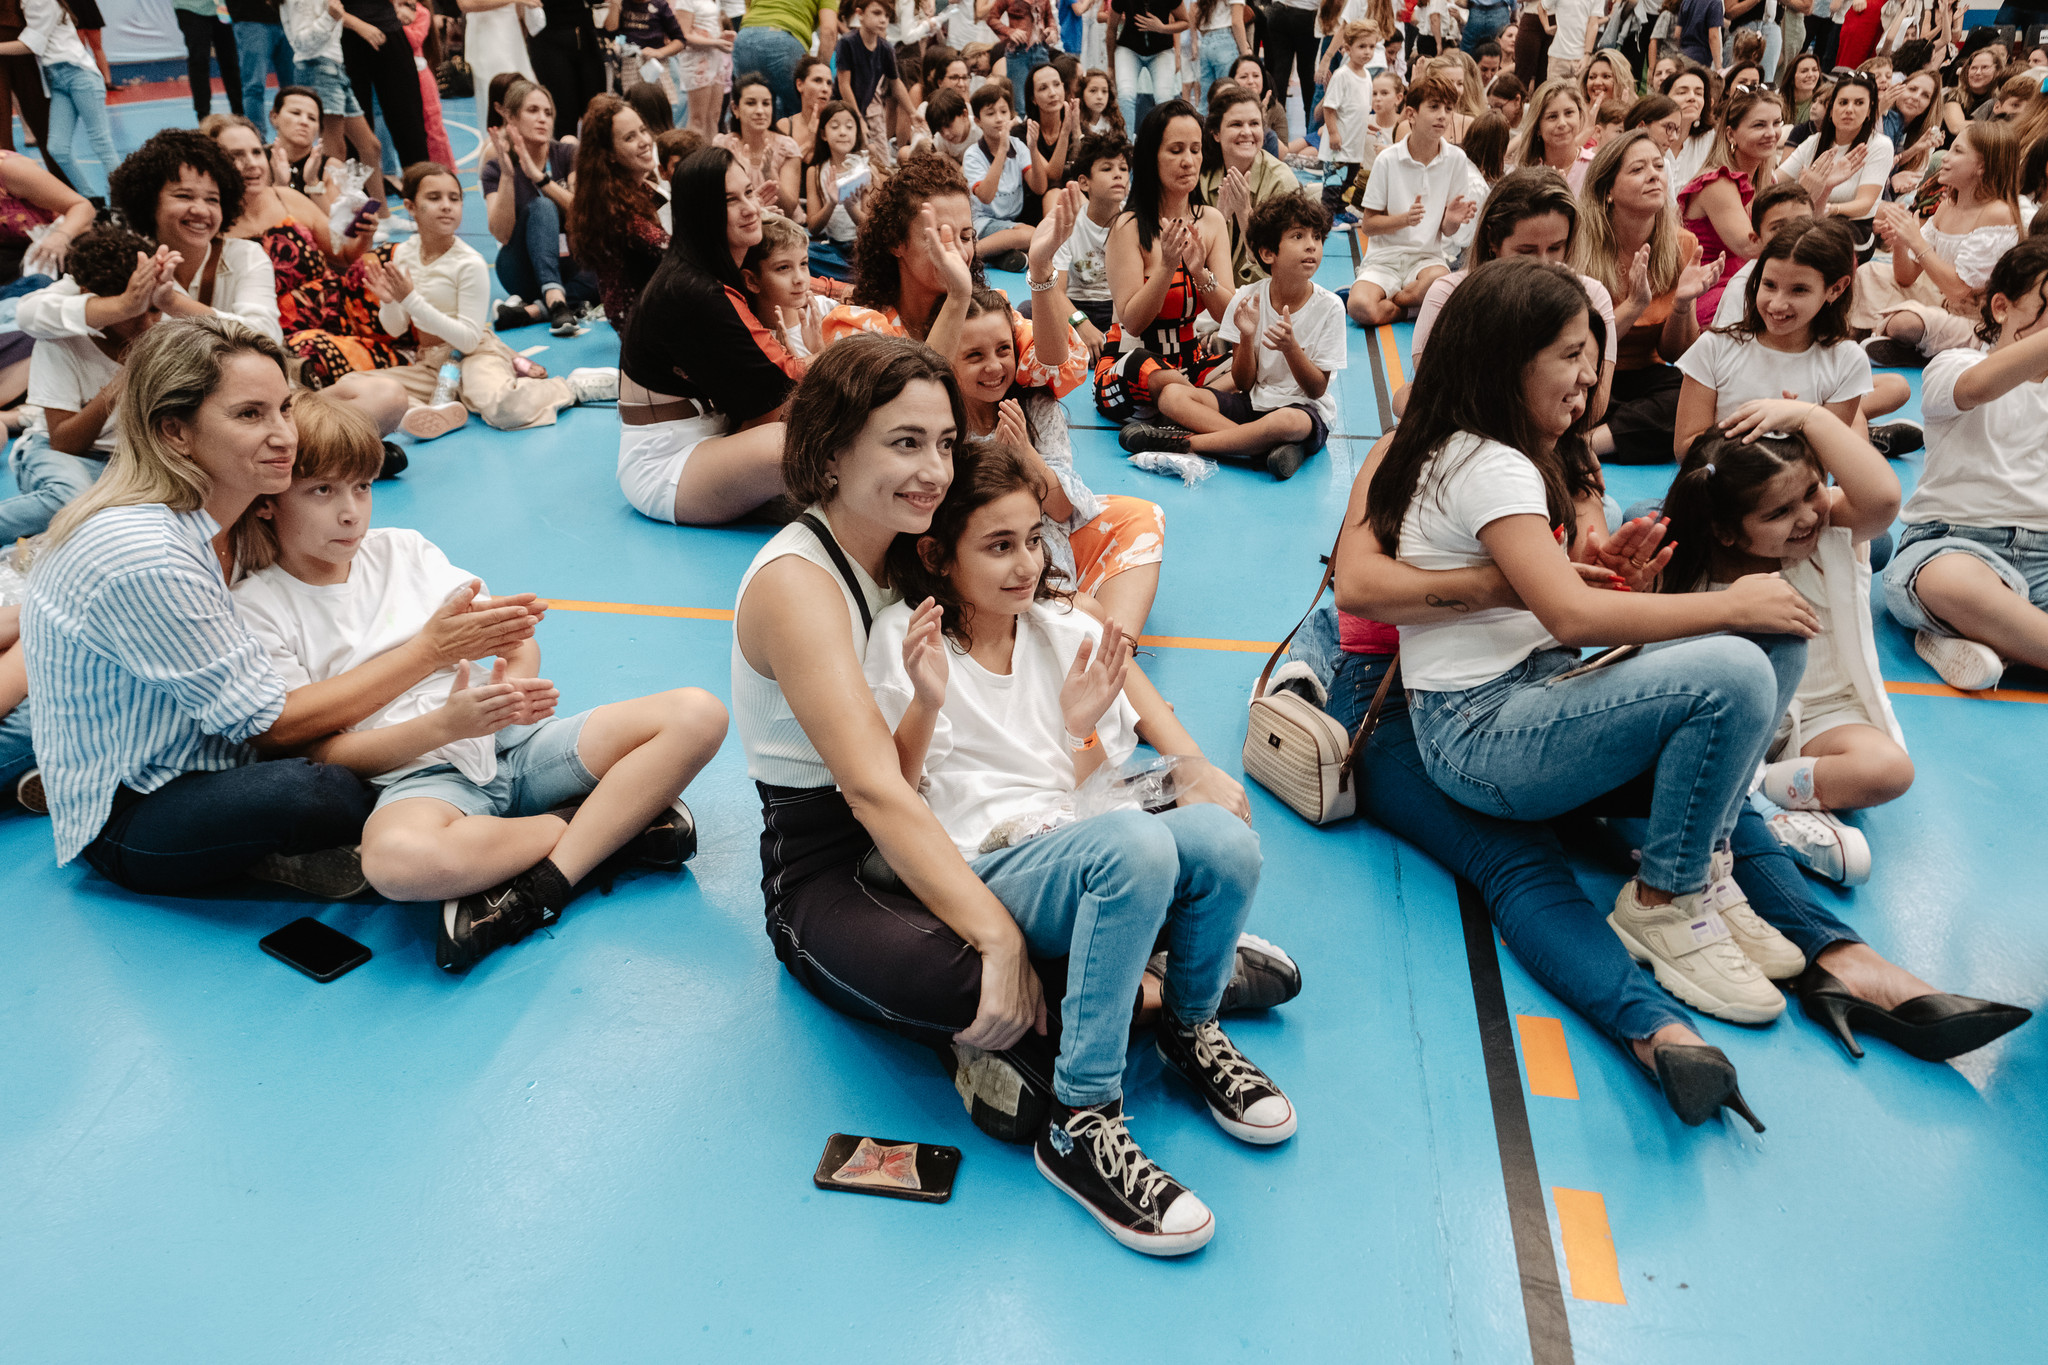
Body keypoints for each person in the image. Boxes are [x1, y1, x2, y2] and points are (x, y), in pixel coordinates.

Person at [732, 331, 1283, 1177]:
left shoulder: (899, 545)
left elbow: (1064, 619)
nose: (935, 469)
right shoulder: (800, 582)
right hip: (837, 862)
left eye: (945, 442)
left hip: (936, 830)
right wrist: (994, 934)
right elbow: (879, 793)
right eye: (905, 443)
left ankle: (1139, 982)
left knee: (1121, 881)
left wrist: (1170, 755)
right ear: (834, 451)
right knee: (984, 976)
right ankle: (1159, 981)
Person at [1365, 258, 1831, 1118]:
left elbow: (1548, 607)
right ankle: (1663, 898)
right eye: (1573, 355)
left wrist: (1588, 581)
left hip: (1527, 688)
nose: (1590, 376)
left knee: (1768, 641)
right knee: (1732, 654)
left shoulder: (1491, 452)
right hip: (1479, 734)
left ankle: (1706, 865)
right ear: (1510, 362)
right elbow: (1572, 619)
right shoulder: (1489, 464)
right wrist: (1720, 600)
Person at [862, 442, 1289, 1255]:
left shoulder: (1058, 626)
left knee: (1224, 841)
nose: (1026, 564)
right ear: (937, 557)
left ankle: (1189, 1027)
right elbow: (899, 793)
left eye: (1032, 539)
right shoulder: (907, 637)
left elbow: (1079, 781)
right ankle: (1079, 1117)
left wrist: (1083, 722)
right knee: (1135, 844)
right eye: (998, 546)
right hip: (982, 861)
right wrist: (924, 701)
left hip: (1068, 836)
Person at [225, 392, 724, 969]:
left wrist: (510, 692)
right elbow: (324, 752)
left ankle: (550, 878)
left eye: (360, 487)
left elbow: (514, 640)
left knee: (697, 713)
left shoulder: (403, 551)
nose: (350, 512)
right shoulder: (257, 605)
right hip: (425, 782)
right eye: (321, 491)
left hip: (508, 742)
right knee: (393, 864)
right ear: (267, 502)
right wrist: (441, 726)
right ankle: (605, 828)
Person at [21, 319, 384, 895]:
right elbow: (268, 724)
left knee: (372, 750)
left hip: (207, 749)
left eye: (284, 409)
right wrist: (430, 651)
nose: (283, 434)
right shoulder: (147, 553)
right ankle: (260, 855)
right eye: (250, 414)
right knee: (328, 789)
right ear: (175, 432)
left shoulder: (236, 516)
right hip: (137, 809)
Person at [1657, 400, 1909, 883]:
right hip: (1731, 729)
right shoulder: (1691, 576)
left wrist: (1809, 418)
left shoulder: (1832, 542)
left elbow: (1881, 498)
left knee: (1888, 770)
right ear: (1727, 533)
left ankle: (1763, 796)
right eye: (1780, 512)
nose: (1808, 516)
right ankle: (1772, 814)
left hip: (1823, 717)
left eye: (1813, 491)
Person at [1881, 237, 2048, 695]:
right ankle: (2005, 635)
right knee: (1948, 583)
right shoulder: (1955, 363)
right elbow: (1977, 388)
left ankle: (1990, 641)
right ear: (2000, 307)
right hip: (1956, 541)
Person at [950, 282, 1167, 632]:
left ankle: (1118, 647)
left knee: (1144, 517)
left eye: (1003, 350)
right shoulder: (942, 423)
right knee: (1087, 614)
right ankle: (1101, 637)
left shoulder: (1036, 405)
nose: (994, 366)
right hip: (1000, 557)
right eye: (974, 355)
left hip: (1049, 535)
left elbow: (1063, 508)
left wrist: (1024, 454)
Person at [618, 148, 805, 526]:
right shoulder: (694, 291)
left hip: (712, 438)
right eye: (730, 201)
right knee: (794, 442)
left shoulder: (714, 270)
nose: (750, 208)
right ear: (702, 212)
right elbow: (779, 403)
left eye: (749, 193)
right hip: (668, 464)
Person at [369, 162, 616, 441]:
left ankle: (572, 387)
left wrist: (410, 300)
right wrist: (389, 302)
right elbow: (394, 329)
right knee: (358, 387)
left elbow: (469, 341)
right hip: (432, 361)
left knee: (503, 408)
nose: (447, 206)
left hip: (475, 354)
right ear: (410, 207)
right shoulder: (404, 255)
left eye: (454, 198)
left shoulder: (469, 262)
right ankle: (438, 411)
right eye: (434, 198)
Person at [824, 148, 1090, 393]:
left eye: (965, 237)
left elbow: (1053, 371)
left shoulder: (987, 313)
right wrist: (958, 297)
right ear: (896, 242)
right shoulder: (858, 328)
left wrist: (1041, 266)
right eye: (941, 239)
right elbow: (915, 402)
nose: (960, 254)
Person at [1121, 192, 1344, 480]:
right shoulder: (1248, 298)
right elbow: (1243, 382)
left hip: (1304, 410)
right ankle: (1261, 447)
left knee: (1288, 421)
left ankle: (1186, 443)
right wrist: (1247, 337)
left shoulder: (1330, 307)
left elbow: (1316, 390)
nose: (1312, 246)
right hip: (1255, 403)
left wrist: (1291, 348)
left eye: (1317, 237)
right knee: (1172, 396)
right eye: (1298, 236)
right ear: (1268, 253)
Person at [1402, 166, 1624, 425]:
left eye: (1555, 248)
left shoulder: (1592, 296)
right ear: (1492, 242)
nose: (1542, 264)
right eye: (1526, 251)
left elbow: (1594, 407)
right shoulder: (1448, 294)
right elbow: (1434, 396)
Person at [21, 131, 282, 349]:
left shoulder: (246, 256)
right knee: (55, 342)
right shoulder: (126, 254)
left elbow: (266, 336)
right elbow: (30, 314)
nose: (201, 210)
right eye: (184, 196)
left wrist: (173, 303)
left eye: (212, 199)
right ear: (149, 202)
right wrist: (123, 305)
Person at [0, 228, 159, 544]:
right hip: (56, 452)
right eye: (133, 311)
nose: (149, 324)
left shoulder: (162, 330)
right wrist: (125, 379)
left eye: (154, 308)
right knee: (71, 500)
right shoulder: (60, 339)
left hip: (124, 462)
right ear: (98, 303)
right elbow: (63, 441)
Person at [1572, 129, 1720, 463]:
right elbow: (1579, 344)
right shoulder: (1579, 244)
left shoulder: (1682, 244)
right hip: (1590, 374)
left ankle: (1586, 444)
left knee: (1693, 395)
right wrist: (1633, 306)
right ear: (1608, 190)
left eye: (1658, 166)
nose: (1654, 175)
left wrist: (1683, 306)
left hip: (1648, 382)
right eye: (1638, 169)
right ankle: (1620, 435)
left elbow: (1676, 353)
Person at [1674, 215, 1871, 457]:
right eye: (1769, 285)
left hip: (1794, 493)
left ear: (1836, 289)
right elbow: (1685, 448)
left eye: (1799, 290)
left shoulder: (1847, 362)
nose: (1777, 304)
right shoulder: (1714, 347)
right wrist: (1757, 434)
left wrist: (1801, 424)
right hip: (1720, 490)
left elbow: (1828, 459)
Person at [1090, 102, 1238, 418]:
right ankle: (1242, 435)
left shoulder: (1210, 222)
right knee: (1160, 377)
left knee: (1252, 360)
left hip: (1190, 362)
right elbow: (1132, 321)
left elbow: (1230, 316)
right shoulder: (1128, 226)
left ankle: (1183, 412)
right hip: (1132, 362)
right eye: (1175, 150)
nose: (1188, 161)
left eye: (1195, 150)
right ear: (1151, 157)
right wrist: (1166, 266)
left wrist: (1200, 272)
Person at [1855, 121, 2022, 366]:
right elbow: (1906, 277)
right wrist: (1901, 242)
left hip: (1977, 321)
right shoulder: (1947, 206)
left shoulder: (1998, 213)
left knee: (1905, 323)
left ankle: (1903, 342)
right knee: (1869, 273)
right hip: (1943, 303)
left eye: (1958, 151)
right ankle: (1893, 340)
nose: (1944, 157)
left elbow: (1958, 289)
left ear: (1982, 166)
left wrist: (1916, 240)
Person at [1345, 75, 1485, 328]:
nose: (1443, 115)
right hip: (1384, 258)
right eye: (1434, 107)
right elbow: (1368, 225)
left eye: (1448, 109)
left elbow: (1447, 231)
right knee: (1359, 307)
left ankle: (1394, 302)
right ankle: (1410, 307)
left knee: (1438, 280)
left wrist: (1451, 221)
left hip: (1426, 259)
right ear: (1411, 114)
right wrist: (1404, 219)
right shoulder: (1387, 160)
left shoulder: (1456, 159)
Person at [484, 79, 599, 335]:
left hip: (570, 261)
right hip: (521, 268)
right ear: (511, 118)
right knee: (542, 208)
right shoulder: (496, 168)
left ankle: (535, 311)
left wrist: (540, 178)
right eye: (533, 111)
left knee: (609, 265)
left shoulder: (568, 154)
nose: (542, 119)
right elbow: (502, 234)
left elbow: (584, 214)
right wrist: (507, 176)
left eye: (548, 113)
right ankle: (556, 302)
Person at [1678, 86, 1784, 325]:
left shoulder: (1767, 180)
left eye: (1776, 123)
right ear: (1730, 134)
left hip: (1750, 284)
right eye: (1759, 125)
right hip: (1712, 290)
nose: (1772, 133)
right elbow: (1750, 247)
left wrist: (1821, 192)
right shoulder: (1717, 182)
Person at [566, 95, 670, 333]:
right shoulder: (613, 209)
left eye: (643, 130)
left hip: (658, 310)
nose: (644, 141)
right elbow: (671, 251)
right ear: (610, 154)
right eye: (630, 137)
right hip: (644, 326)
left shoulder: (643, 187)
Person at [0, 0, 117, 206]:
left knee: (101, 142)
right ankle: (92, 202)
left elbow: (31, 44)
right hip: (56, 80)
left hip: (79, 74)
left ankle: (122, 204)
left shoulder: (41, 1)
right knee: (58, 148)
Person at [280, 0, 387, 206]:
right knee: (334, 151)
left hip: (335, 69)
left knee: (370, 147)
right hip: (317, 69)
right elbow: (302, 43)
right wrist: (330, 16)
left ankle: (382, 214)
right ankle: (339, 218)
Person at [1195, 85, 1304, 284]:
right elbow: (1189, 263)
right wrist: (1219, 220)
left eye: (1254, 124)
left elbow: (1285, 272)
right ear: (1216, 133)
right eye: (1236, 124)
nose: (1247, 132)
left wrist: (1246, 216)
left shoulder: (1281, 181)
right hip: (1209, 295)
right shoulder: (1200, 178)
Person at [1776, 71, 1891, 254]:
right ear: (1831, 110)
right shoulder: (1815, 141)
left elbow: (1865, 203)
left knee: (1810, 247)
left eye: (1859, 103)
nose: (1849, 109)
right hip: (1807, 219)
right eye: (1843, 102)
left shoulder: (1880, 145)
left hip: (1852, 228)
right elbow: (1776, 181)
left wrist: (1829, 209)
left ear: (1869, 111)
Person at [1048, 130, 1129, 351]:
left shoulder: (1135, 223)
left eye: (1123, 168)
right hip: (1076, 306)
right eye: (1107, 168)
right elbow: (1056, 290)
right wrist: (1080, 324)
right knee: (1029, 310)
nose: (1118, 175)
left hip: (1119, 307)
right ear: (1084, 182)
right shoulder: (1069, 222)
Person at [335, 0, 430, 166]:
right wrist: (358, 25)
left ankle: (419, 183)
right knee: (355, 128)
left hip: (388, 32)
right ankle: (358, 189)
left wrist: (403, 6)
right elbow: (321, 7)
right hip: (347, 39)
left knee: (409, 121)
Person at [964, 83, 1048, 269]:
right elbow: (986, 196)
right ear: (977, 120)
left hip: (1010, 222)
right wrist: (1002, 149)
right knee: (1030, 235)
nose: (999, 119)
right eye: (990, 113)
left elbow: (1040, 187)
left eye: (1003, 112)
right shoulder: (973, 154)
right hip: (982, 223)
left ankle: (997, 256)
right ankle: (970, 254)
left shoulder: (1018, 145)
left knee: (1034, 237)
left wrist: (1033, 149)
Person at [734, 0, 841, 123]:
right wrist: (820, 72)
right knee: (805, 113)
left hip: (745, 37)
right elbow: (829, 31)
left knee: (752, 109)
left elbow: (748, 5)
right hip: (784, 40)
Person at [803, 99, 877, 277]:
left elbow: (871, 227)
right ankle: (850, 277)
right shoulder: (815, 171)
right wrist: (831, 203)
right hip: (833, 249)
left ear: (857, 132)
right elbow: (813, 227)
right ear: (823, 134)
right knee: (806, 253)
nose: (843, 132)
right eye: (835, 127)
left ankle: (847, 277)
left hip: (863, 247)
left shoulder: (867, 170)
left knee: (875, 258)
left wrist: (850, 206)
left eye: (849, 127)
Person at [717, 71, 804, 215]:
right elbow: (717, 202)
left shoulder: (787, 147)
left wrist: (769, 174)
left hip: (780, 226)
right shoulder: (723, 145)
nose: (760, 111)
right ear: (735, 109)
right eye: (751, 103)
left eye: (766, 104)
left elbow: (789, 210)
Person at [1321, 22, 1383, 212]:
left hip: (1354, 143)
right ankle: (1329, 214)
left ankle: (1341, 209)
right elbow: (1329, 108)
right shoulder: (1342, 76)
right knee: (1334, 180)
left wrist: (1366, 125)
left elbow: (1358, 109)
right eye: (1362, 46)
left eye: (1371, 47)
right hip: (1338, 144)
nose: (1367, 52)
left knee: (1350, 180)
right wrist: (1333, 133)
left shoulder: (1366, 76)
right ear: (1347, 49)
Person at [1111, 0, 1188, 132]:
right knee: (1126, 94)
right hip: (1129, 48)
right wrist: (1110, 65)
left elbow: (1185, 22)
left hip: (1161, 50)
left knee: (1163, 97)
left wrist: (1161, 28)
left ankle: (1163, 140)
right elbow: (1111, 28)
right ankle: (1125, 143)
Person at [173, 0, 245, 123]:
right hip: (190, 8)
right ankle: (203, 117)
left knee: (231, 61)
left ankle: (240, 114)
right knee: (199, 61)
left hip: (223, 9)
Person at [677, 0, 735, 138]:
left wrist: (723, 37)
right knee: (698, 119)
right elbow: (683, 35)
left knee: (714, 116)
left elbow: (710, 30)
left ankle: (711, 157)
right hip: (697, 62)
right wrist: (716, 42)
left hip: (715, 58)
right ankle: (695, 157)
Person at [1512, 78, 1588, 178]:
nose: (1562, 123)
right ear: (1537, 127)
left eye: (1569, 113)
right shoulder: (1520, 174)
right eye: (1552, 117)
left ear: (1579, 115)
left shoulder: (1598, 167)